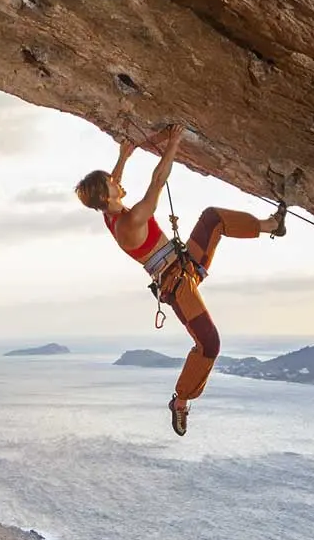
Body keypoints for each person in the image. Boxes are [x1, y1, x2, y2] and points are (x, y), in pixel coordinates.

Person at [74, 125, 286, 436]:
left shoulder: (108, 210)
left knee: (213, 218)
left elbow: (113, 182)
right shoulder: (130, 222)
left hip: (186, 263)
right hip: (177, 285)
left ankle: (272, 225)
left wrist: (123, 156)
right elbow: (158, 182)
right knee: (209, 344)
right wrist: (174, 142)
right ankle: (181, 400)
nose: (117, 181)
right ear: (106, 195)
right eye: (111, 182)